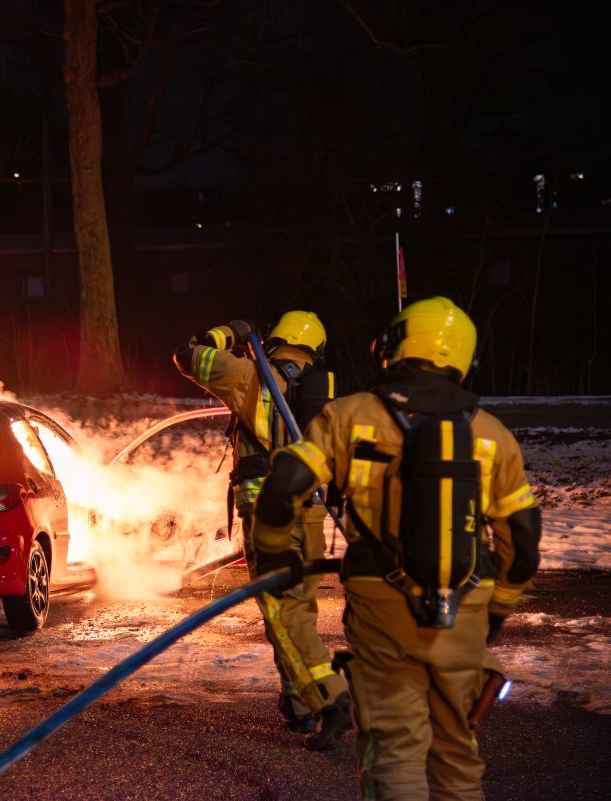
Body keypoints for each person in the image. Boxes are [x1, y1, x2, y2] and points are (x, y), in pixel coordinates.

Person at [252, 297, 542, 799]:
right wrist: (494, 613)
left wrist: (276, 555)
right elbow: (523, 543)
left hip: (380, 606)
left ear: (394, 347)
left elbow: (282, 488)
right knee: (457, 757)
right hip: (466, 606)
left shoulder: (350, 416)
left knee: (395, 751)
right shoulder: (493, 435)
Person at [173, 310, 351, 748]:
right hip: (311, 513)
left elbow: (187, 354)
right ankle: (299, 704)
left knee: (281, 615)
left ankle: (329, 699)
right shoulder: (321, 394)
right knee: (296, 611)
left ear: (276, 339)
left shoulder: (250, 375)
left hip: (269, 513)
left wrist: (232, 332)